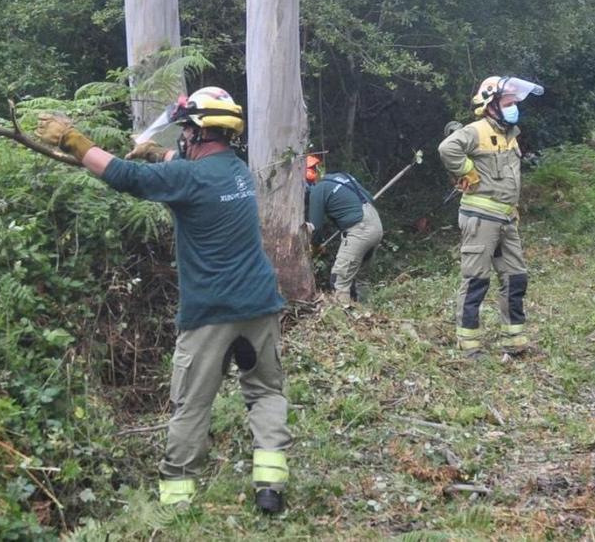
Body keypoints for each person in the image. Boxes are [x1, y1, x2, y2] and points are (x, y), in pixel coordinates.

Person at [35, 86, 292, 513]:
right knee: (266, 392)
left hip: (210, 313)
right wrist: (157, 153)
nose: (182, 140)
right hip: (261, 304)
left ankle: (177, 500)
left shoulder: (185, 179)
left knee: (191, 404)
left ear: (196, 133)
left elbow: (120, 174)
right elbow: (185, 172)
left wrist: (73, 140)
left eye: (185, 132)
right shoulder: (237, 172)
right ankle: (270, 487)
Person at [438, 76, 543, 358]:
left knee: (516, 277)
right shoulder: (476, 130)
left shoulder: (510, 133)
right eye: (509, 102)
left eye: (515, 103)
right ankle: (468, 345)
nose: (514, 108)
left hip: (506, 217)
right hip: (480, 217)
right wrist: (467, 170)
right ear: (491, 104)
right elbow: (447, 149)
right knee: (476, 279)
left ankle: (515, 340)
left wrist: (511, 206)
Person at [303, 154, 384, 303]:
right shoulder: (342, 176)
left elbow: (316, 228)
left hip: (360, 229)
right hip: (375, 224)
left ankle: (344, 321)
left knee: (338, 281)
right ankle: (367, 314)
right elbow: (370, 198)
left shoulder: (317, 190)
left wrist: (315, 247)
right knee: (361, 278)